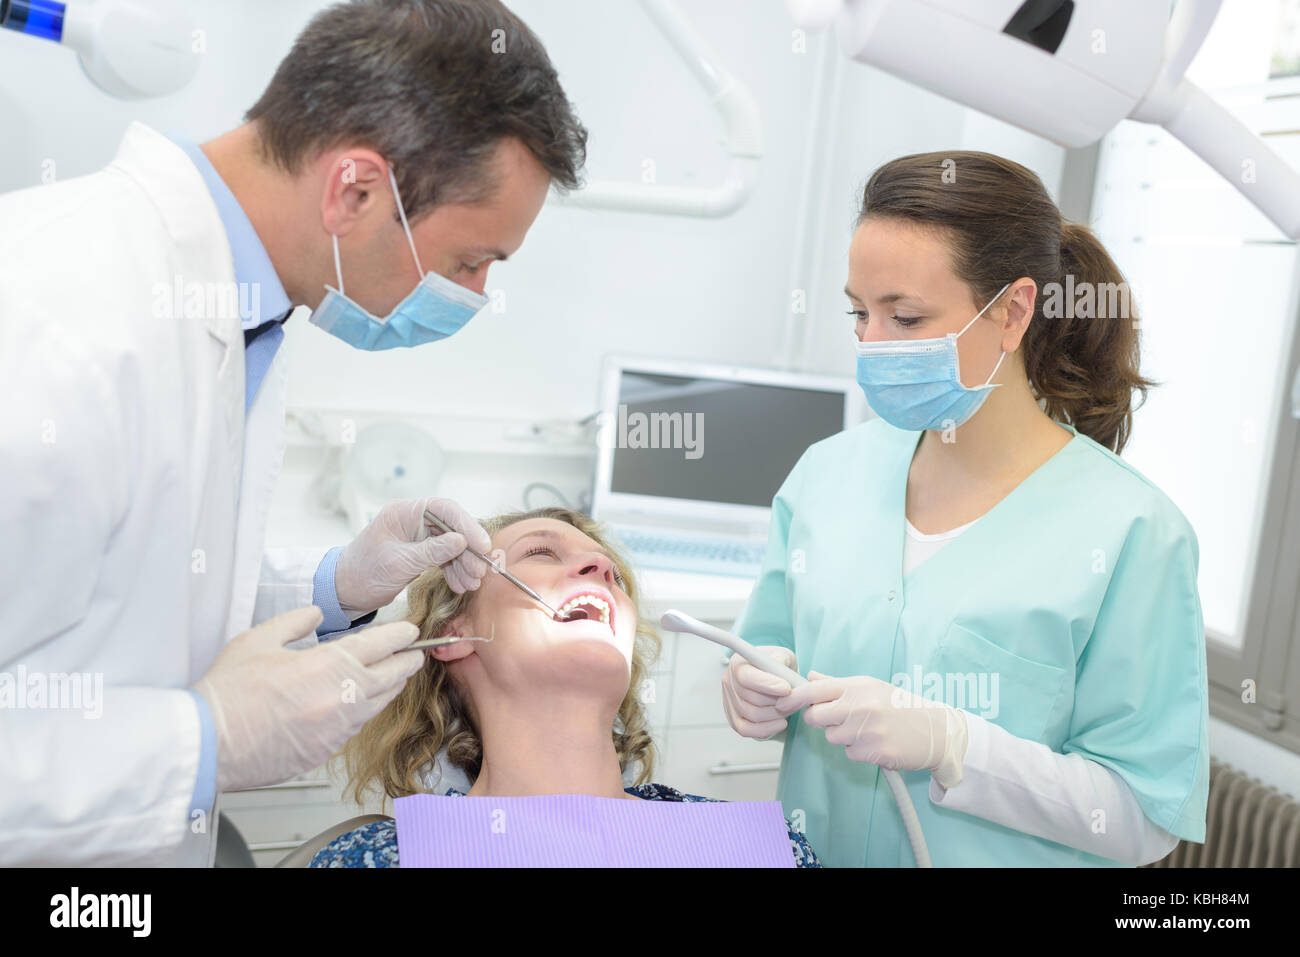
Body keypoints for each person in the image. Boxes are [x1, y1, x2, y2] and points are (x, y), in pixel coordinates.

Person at [0, 0, 587, 865]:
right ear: (355, 190)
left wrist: (335, 585)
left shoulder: (242, 314)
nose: (475, 296)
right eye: (469, 261)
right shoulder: (55, 327)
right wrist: (203, 743)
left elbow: (133, 601)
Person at [722, 151, 1210, 867]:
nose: (870, 345)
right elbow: (768, 647)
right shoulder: (827, 475)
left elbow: (1141, 818)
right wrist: (753, 683)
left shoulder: (1132, 531)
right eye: (859, 312)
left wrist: (957, 745)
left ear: (1013, 311)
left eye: (906, 316)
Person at [308, 508, 821, 867]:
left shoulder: (773, 849)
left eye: (612, 574)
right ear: (453, 634)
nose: (603, 568)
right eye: (540, 553)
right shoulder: (383, 858)